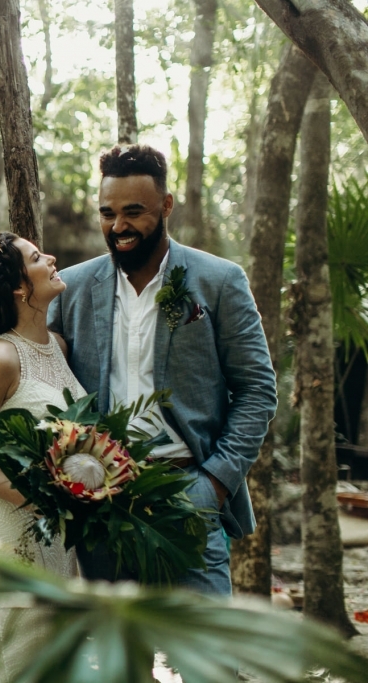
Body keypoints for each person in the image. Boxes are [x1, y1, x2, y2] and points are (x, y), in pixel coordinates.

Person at [48, 143, 277, 595]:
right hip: (100, 502)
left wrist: (215, 482)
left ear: (166, 205)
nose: (119, 227)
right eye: (107, 213)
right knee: (120, 663)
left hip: (188, 496)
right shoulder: (71, 288)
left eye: (134, 212)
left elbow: (257, 389)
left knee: (208, 661)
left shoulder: (219, 280)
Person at [0, 231, 84, 683]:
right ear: (19, 288)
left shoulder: (59, 348)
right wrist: (32, 499)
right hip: (13, 528)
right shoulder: (0, 358)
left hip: (61, 531)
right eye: (35, 257)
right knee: (17, 663)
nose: (50, 258)